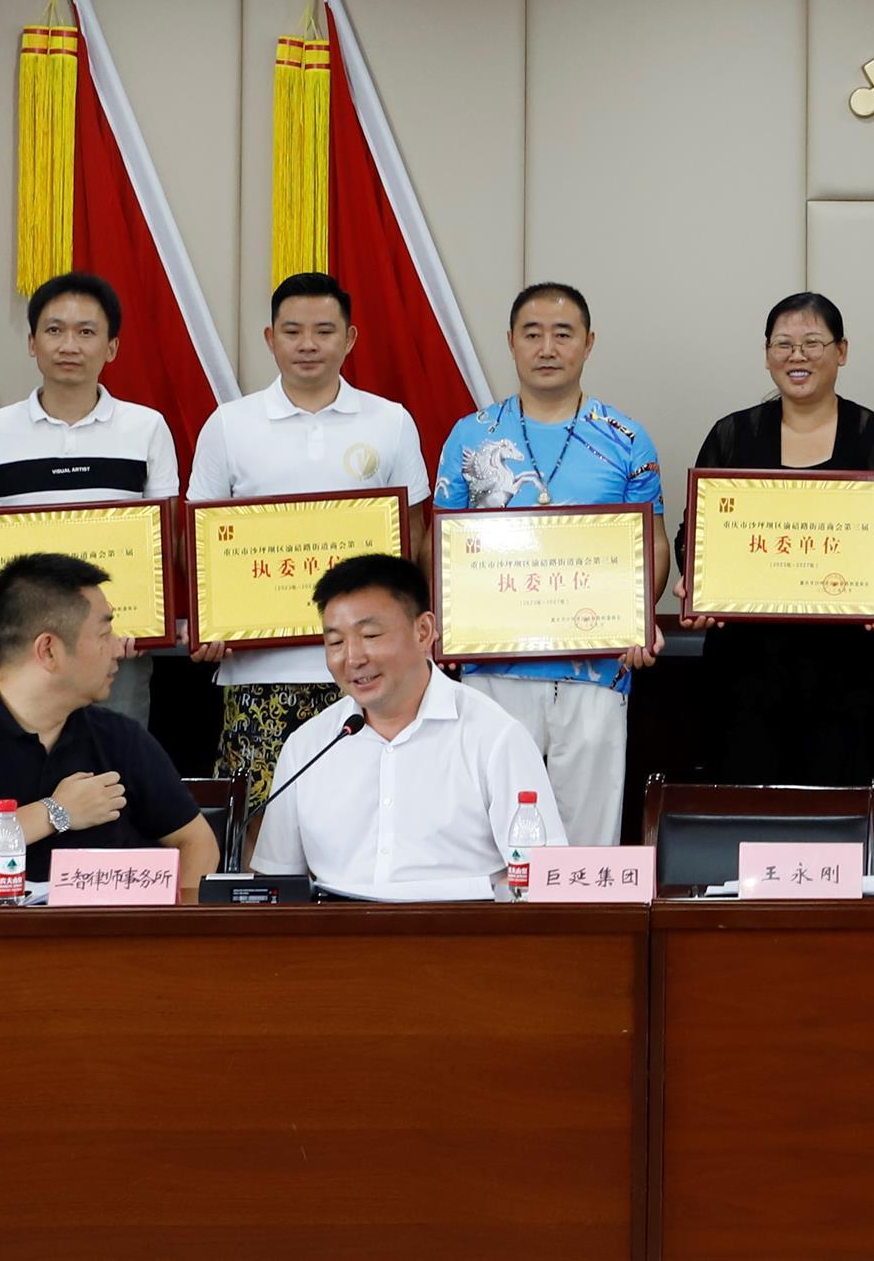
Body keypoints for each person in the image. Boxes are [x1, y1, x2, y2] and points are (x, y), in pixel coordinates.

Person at [432, 282, 664, 845]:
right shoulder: (472, 434)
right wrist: (445, 623)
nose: (547, 348)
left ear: (588, 343)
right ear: (511, 342)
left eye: (563, 334)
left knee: (586, 840)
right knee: (486, 835)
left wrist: (638, 620)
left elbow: (652, 543)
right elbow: (438, 542)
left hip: (597, 669)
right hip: (491, 667)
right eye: (532, 334)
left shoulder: (625, 438)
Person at [185, 272, 430, 808]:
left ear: (350, 338)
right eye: (293, 331)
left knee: (370, 809)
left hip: (369, 664)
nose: (308, 345)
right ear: (270, 338)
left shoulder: (390, 421)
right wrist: (212, 619)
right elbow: (198, 539)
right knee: (258, 813)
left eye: (324, 330)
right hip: (258, 670)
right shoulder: (229, 425)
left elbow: (412, 536)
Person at [676, 293, 874, 788]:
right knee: (748, 801)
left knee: (842, 803)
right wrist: (695, 583)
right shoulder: (732, 435)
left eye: (812, 343)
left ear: (841, 351)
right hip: (747, 666)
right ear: (767, 354)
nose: (797, 356)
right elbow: (693, 535)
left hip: (849, 666)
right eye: (783, 344)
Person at [247, 554, 562, 900]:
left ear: (423, 631)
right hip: (337, 931)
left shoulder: (495, 737)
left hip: (462, 930)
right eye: (335, 642)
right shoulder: (308, 746)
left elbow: (543, 881)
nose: (353, 658)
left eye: (370, 635)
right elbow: (274, 888)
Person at [0, 552, 213, 899]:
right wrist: (58, 811)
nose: (117, 649)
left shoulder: (118, 736)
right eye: (104, 633)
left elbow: (197, 841)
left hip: (102, 931)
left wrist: (168, 925)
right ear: (49, 651)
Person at [0, 271, 180, 724]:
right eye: (54, 330)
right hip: (18, 648)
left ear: (111, 347)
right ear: (32, 343)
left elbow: (167, 538)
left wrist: (148, 621)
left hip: (115, 646)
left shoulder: (147, 428)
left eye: (86, 332)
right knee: (12, 764)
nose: (69, 345)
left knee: (113, 762)